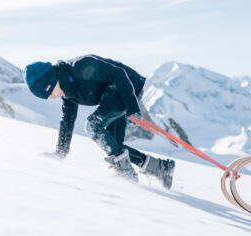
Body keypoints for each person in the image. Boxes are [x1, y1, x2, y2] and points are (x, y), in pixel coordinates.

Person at [24, 54, 175, 188]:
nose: (52, 97)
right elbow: (67, 120)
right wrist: (60, 152)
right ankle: (160, 168)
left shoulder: (80, 66)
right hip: (111, 95)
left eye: (49, 92)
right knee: (115, 145)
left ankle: (125, 172)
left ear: (50, 81)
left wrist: (132, 106)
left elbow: (118, 74)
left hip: (126, 86)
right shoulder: (68, 93)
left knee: (93, 126)